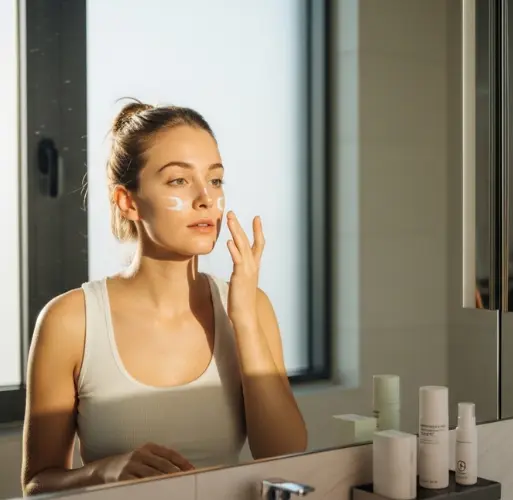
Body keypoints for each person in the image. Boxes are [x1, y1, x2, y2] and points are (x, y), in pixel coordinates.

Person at [21, 100, 308, 495]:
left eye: (216, 179)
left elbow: (286, 456)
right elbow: (36, 485)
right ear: (128, 201)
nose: (205, 198)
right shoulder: (70, 322)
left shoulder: (251, 307)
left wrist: (243, 320)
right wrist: (103, 472)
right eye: (178, 181)